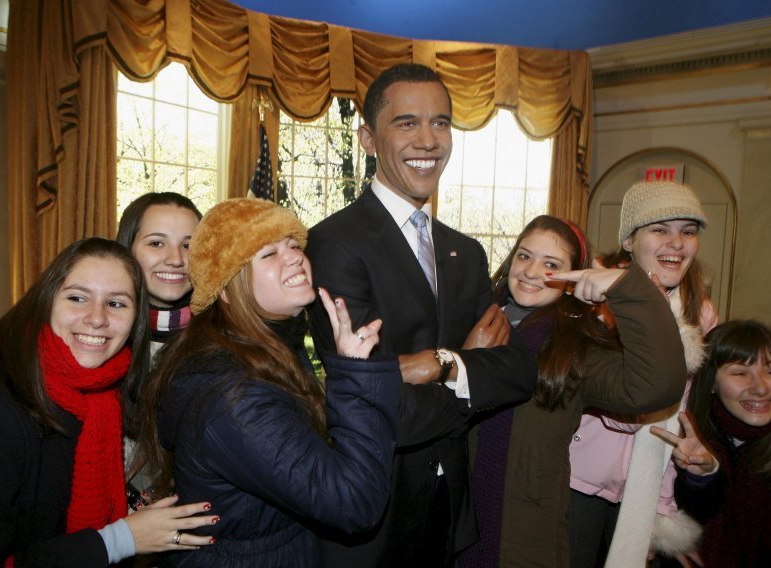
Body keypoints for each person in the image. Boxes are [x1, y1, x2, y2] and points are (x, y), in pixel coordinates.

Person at [306, 63, 538, 566]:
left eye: (441, 122)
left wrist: (439, 363)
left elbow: (520, 372)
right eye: (407, 123)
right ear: (369, 138)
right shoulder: (334, 243)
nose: (429, 140)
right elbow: (388, 414)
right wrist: (464, 369)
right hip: (373, 516)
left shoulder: (466, 252)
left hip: (449, 508)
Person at [138, 198, 402, 567]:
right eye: (269, 253)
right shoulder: (235, 395)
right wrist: (356, 375)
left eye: (294, 245)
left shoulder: (264, 352)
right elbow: (354, 502)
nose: (294, 257)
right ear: (227, 290)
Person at [456, 215, 687, 567]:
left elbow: (654, 386)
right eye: (524, 256)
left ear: (571, 280)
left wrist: (626, 289)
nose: (532, 271)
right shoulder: (473, 321)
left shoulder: (574, 347)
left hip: (526, 539)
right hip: (455, 527)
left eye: (551, 264)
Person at [0, 238, 217, 567]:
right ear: (46, 301)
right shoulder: (0, 408)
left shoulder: (106, 398)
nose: (96, 318)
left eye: (116, 304)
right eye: (78, 298)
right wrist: (121, 538)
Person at [567, 181, 718, 567]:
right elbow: (620, 407)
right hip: (576, 482)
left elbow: (674, 422)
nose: (677, 243)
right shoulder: (598, 298)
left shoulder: (700, 314)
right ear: (630, 241)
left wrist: (661, 510)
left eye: (688, 231)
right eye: (659, 229)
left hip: (639, 490)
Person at [652, 320, 771, 566]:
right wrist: (700, 477)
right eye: (740, 373)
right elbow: (696, 510)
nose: (760, 388)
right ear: (712, 383)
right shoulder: (687, 434)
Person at [116, 192, 202, 360]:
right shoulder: (101, 330)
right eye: (156, 243)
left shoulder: (228, 335)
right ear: (127, 250)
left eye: (187, 245)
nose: (176, 259)